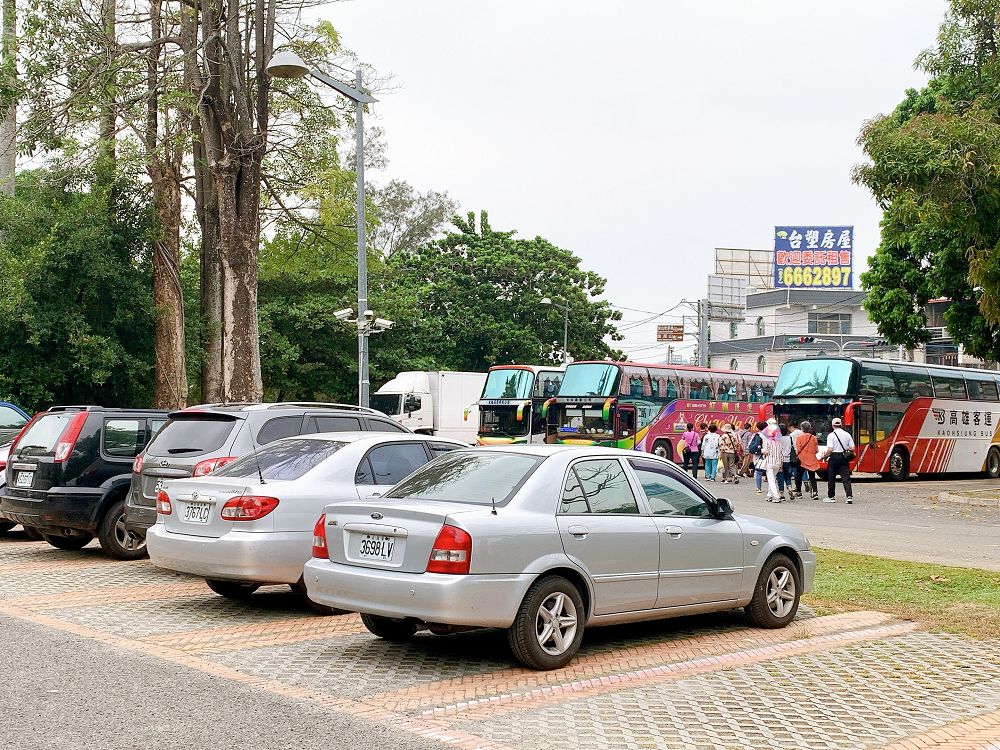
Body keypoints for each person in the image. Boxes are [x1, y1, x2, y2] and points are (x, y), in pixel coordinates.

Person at [824, 417, 855, 503]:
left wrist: (825, 456)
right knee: (846, 477)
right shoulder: (847, 434)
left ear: (832, 425)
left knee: (831, 477)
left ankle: (831, 496)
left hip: (834, 457)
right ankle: (849, 496)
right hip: (843, 457)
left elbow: (830, 449)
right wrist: (845, 448)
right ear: (841, 425)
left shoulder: (831, 435)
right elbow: (852, 448)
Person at [795, 420, 820, 500]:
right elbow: (816, 450)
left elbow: (798, 450)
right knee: (812, 477)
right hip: (812, 459)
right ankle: (815, 492)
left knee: (798, 476)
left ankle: (799, 492)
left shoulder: (799, 438)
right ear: (809, 428)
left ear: (802, 429)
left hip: (801, 459)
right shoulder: (814, 438)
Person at [762, 424, 785, 502]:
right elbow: (782, 454)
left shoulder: (767, 441)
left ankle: (776, 496)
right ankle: (769, 495)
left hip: (770, 462)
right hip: (778, 463)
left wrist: (762, 450)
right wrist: (781, 464)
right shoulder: (779, 442)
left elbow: (765, 452)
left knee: (771, 480)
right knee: (772, 478)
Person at [748, 420, 767, 494]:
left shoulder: (756, 435)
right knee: (769, 472)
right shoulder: (770, 435)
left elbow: (750, 445)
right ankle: (771, 488)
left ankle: (758, 488)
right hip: (767, 454)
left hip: (757, 455)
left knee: (758, 471)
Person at [778, 424, 794, 500]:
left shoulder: (778, 439)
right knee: (788, 476)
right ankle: (790, 487)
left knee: (780, 476)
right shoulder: (789, 438)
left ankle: (782, 494)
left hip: (780, 460)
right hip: (788, 460)